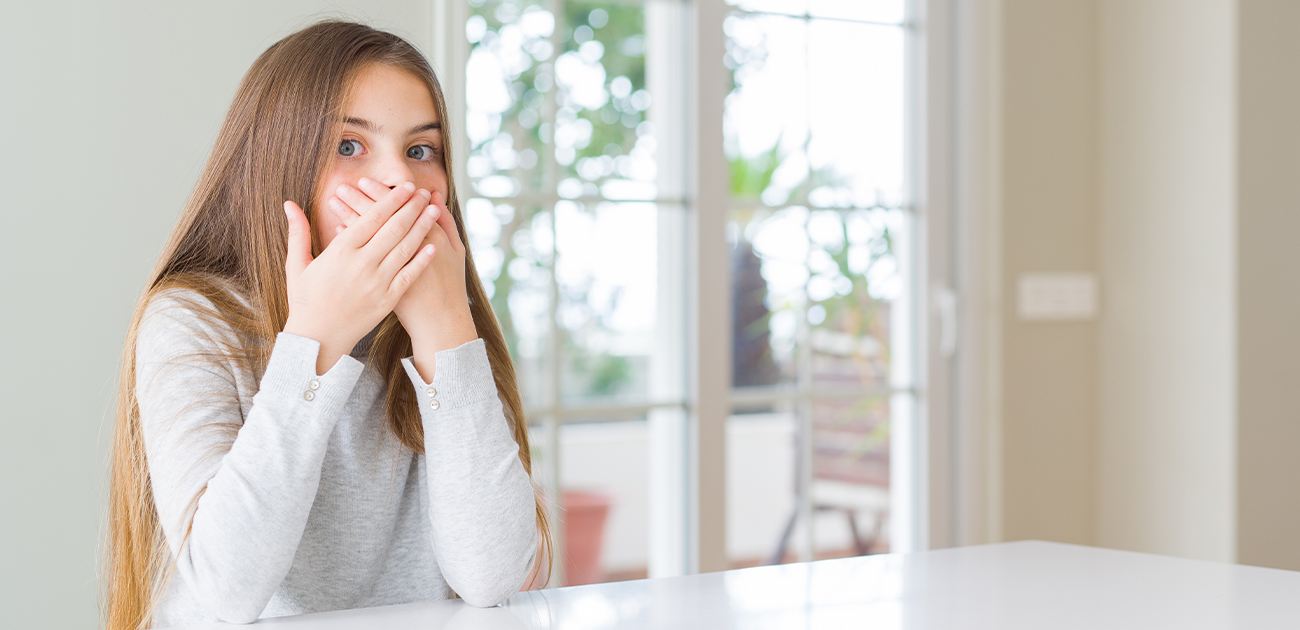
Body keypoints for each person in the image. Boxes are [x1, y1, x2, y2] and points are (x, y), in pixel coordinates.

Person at [102, 20, 551, 629]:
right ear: (277, 163)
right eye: (349, 146)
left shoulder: (443, 320)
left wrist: (447, 331)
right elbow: (227, 590)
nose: (400, 181)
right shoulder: (193, 319)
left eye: (422, 150)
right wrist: (315, 343)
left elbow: (493, 575)